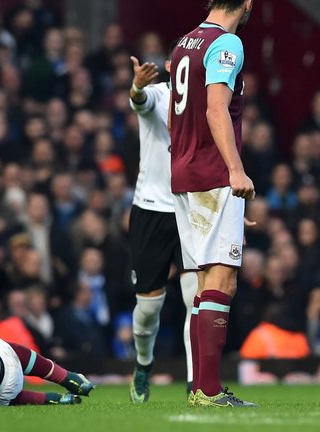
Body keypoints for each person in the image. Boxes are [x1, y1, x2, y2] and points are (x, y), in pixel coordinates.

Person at [169, 0, 257, 407]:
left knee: (205, 283)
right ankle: (207, 390)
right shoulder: (227, 44)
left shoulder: (184, 42)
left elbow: (176, 114)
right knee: (221, 279)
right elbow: (216, 108)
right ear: (247, 4)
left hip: (185, 174)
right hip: (212, 172)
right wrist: (235, 172)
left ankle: (201, 389)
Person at [127, 48, 198, 403]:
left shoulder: (208, 104)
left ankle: (194, 382)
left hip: (192, 207)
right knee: (149, 309)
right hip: (152, 210)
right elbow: (139, 101)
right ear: (172, 67)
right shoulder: (159, 95)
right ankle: (143, 363)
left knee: (195, 298)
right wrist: (137, 87)